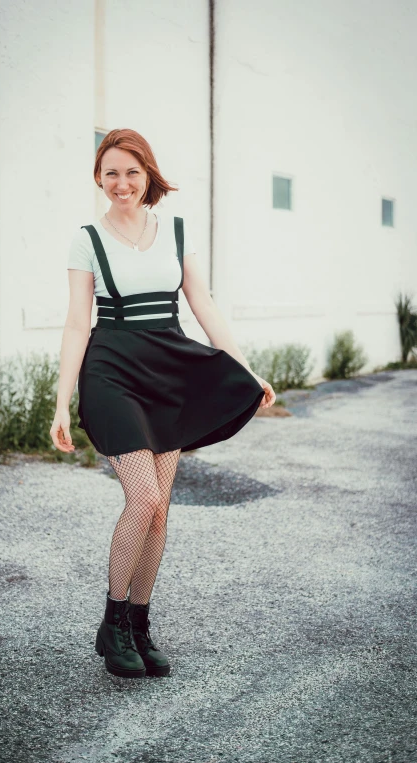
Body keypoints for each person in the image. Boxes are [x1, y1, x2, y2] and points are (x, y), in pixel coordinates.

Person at [50, 128, 275, 680]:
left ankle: (141, 625)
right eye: (110, 173)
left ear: (148, 173)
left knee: (159, 511)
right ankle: (112, 623)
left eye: (131, 171)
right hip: (112, 371)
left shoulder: (176, 229)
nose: (121, 183)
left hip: (168, 372)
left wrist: (245, 368)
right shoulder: (87, 238)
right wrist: (61, 403)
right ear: (98, 179)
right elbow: (79, 321)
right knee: (142, 497)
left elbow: (202, 302)